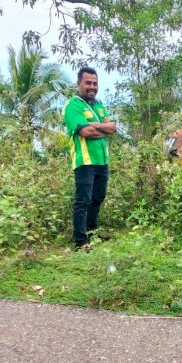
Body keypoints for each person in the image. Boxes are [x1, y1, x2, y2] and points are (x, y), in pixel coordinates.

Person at [63, 68, 117, 249]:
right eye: (88, 83)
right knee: (83, 201)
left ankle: (92, 232)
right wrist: (102, 127)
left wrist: (97, 126)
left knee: (98, 197)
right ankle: (81, 241)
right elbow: (85, 132)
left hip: (102, 161)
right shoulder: (73, 106)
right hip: (85, 162)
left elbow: (113, 128)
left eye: (95, 83)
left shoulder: (99, 105)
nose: (92, 87)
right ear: (79, 84)